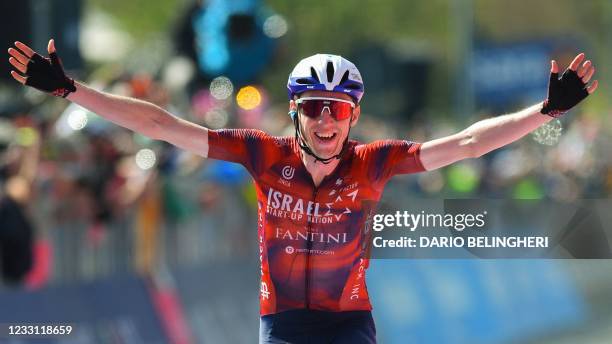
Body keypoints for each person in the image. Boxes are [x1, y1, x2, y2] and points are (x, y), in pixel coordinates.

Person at [8, 39, 598, 343]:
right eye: (314, 108)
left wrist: (546, 110)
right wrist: (71, 91)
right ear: (295, 112)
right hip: (285, 323)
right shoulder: (263, 155)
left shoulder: (374, 163)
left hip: (349, 323)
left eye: (337, 109)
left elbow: (468, 144)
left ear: (353, 114)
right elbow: (162, 126)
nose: (325, 121)